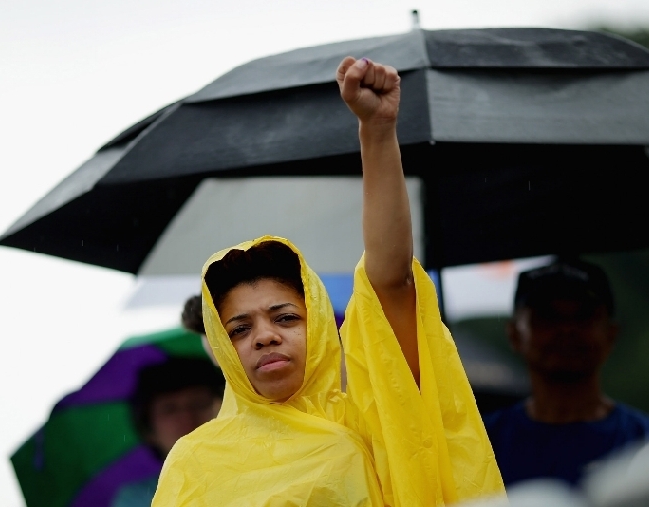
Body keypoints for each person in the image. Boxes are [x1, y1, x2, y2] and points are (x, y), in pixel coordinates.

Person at [151, 57, 505, 506]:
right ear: (221, 347)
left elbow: (390, 280)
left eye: (285, 317)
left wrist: (376, 132)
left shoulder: (369, 418)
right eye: (239, 329)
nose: (264, 337)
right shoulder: (193, 463)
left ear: (318, 325)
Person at [484, 259, 649, 486]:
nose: (566, 329)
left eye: (583, 316)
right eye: (547, 316)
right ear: (515, 335)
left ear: (611, 334)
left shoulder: (646, 443)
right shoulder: (481, 444)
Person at [110, 357, 224, 507]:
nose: (187, 418)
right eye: (170, 410)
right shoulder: (137, 498)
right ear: (149, 431)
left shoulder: (256, 470)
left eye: (198, 404)